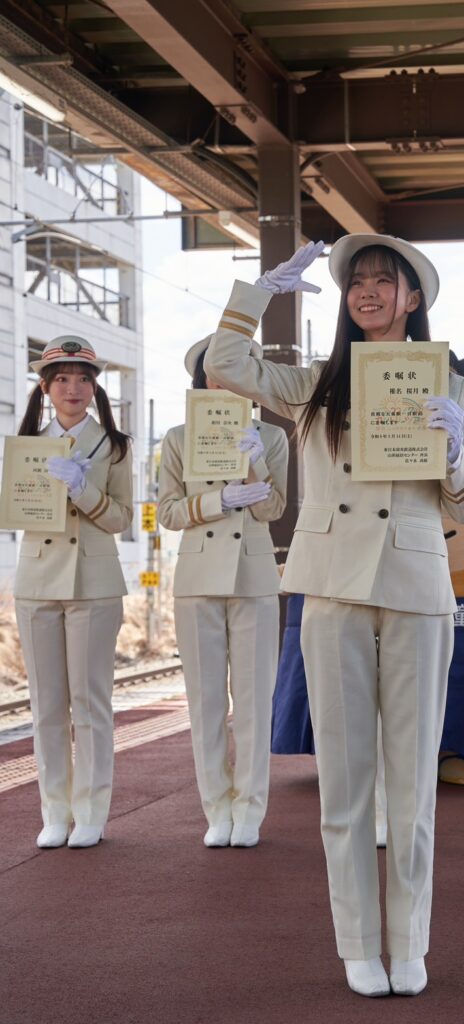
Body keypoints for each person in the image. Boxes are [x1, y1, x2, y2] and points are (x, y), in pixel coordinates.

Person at [204, 236, 464, 997]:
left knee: (411, 785)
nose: (365, 291)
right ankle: (359, 942)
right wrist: (261, 291)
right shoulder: (315, 383)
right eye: (355, 281)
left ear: (412, 298)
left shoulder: (452, 388)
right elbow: (222, 365)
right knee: (346, 784)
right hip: (330, 586)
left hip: (415, 587)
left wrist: (456, 450)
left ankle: (411, 941)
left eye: (381, 280)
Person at [158, 338, 288, 849]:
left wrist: (254, 467)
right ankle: (217, 807)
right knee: (205, 701)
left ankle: (250, 809)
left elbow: (274, 508)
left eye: (236, 372)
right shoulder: (176, 437)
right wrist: (218, 499)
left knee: (255, 700)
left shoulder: (271, 436)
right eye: (215, 374)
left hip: (253, 575)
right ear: (200, 381)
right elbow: (168, 512)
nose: (225, 382)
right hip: (196, 579)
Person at [14, 336, 133, 849]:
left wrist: (81, 488)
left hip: (93, 580)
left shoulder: (115, 446)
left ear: (94, 387)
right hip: (37, 579)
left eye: (83, 378)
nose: (73, 388)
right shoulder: (26, 445)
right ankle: (54, 812)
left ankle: (90, 812)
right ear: (45, 388)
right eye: (61, 378)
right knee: (45, 706)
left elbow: (122, 518)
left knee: (89, 704)